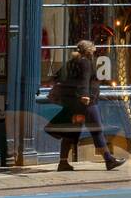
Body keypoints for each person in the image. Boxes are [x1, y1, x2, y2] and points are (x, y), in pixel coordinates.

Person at [48, 39, 125, 172]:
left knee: (70, 133)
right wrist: (84, 95)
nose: (94, 51)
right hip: (87, 103)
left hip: (73, 104)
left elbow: (57, 77)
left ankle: (63, 163)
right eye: (93, 49)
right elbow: (84, 80)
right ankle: (109, 160)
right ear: (89, 50)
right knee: (97, 130)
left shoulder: (72, 62)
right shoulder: (85, 62)